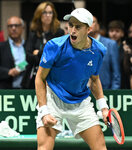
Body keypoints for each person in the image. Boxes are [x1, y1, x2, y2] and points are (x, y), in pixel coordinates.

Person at [35, 8, 109, 150]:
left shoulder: (99, 50)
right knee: (44, 147)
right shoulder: (55, 46)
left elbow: (94, 79)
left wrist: (104, 108)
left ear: (89, 29)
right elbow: (40, 77)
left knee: (100, 147)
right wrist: (44, 110)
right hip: (53, 97)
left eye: (78, 26)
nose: (72, 30)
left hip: (80, 101)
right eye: (70, 25)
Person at [21, 1, 64, 89]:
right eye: (44, 12)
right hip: (33, 76)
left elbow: (55, 57)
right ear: (39, 15)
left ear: (53, 15)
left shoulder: (58, 33)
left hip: (52, 76)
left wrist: (38, 52)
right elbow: (28, 57)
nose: (48, 15)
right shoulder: (33, 33)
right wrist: (43, 54)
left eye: (50, 13)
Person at [0, 16, 27, 89]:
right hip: (7, 91)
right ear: (7, 29)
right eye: (10, 26)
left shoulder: (29, 46)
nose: (13, 28)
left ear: (22, 28)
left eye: (16, 25)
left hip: (28, 91)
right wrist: (8, 72)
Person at [89, 16, 121, 89]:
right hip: (84, 93)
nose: (89, 24)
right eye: (87, 22)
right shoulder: (79, 45)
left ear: (98, 26)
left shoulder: (110, 44)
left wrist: (113, 94)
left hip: (106, 91)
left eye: (92, 22)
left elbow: (116, 74)